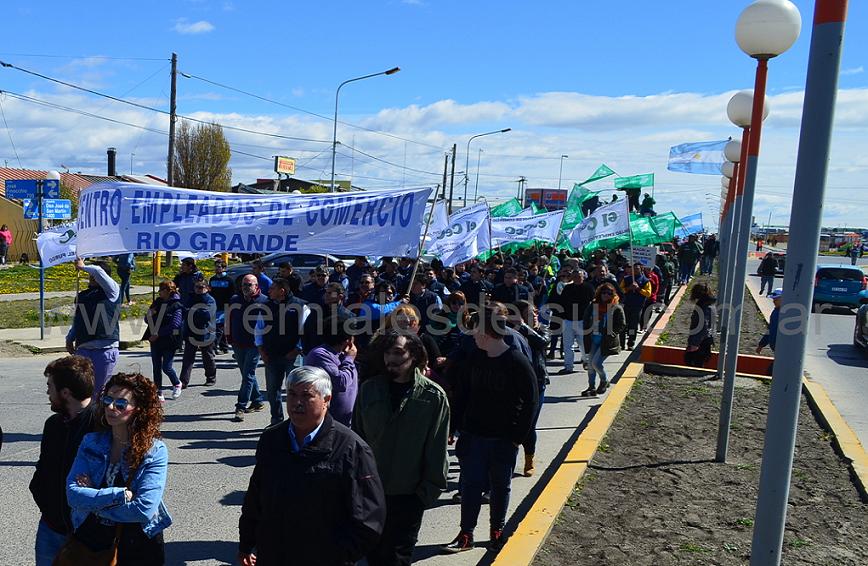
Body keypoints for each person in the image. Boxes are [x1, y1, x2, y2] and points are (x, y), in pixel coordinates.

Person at [238, 366, 386, 566]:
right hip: (274, 555)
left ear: (326, 400)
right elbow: (256, 497)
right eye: (292, 394)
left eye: (307, 396)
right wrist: (247, 543)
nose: (297, 403)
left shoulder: (351, 449)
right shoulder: (272, 439)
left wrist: (337, 555)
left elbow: (369, 519)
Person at [443, 304, 538, 553]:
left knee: (500, 485)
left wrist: (518, 437)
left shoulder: (517, 362)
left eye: (475, 331)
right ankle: (466, 534)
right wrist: (456, 427)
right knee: (471, 486)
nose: (473, 335)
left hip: (504, 438)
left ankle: (497, 530)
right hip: (474, 435)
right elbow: (462, 394)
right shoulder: (474, 358)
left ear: (486, 333)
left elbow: (531, 401)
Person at [354, 332, 450, 566]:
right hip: (371, 494)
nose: (391, 358)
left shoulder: (433, 397)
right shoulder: (369, 390)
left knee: (397, 558)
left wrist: (423, 496)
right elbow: (356, 441)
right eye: (387, 352)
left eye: (398, 352)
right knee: (373, 556)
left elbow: (437, 450)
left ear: (415, 355)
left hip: (409, 496)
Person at [63, 373, 171, 565]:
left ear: (138, 410)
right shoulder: (91, 443)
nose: (111, 407)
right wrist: (119, 496)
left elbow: (143, 510)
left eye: (121, 404)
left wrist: (93, 501)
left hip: (139, 545)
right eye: (107, 400)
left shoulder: (154, 451)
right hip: (93, 540)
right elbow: (73, 495)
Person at [30, 356, 97, 566]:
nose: (48, 392)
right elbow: (43, 469)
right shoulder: (53, 424)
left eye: (50, 386)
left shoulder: (100, 425)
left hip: (89, 533)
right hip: (51, 526)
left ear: (65, 392)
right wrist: (42, 496)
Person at [66, 258, 121, 399]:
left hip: (105, 349)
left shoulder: (112, 291)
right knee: (83, 389)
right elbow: (78, 319)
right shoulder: (82, 295)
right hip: (84, 347)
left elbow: (98, 271)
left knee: (99, 391)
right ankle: (85, 418)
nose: (91, 277)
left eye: (93, 276)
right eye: (90, 276)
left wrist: (83, 266)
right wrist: (70, 338)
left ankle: (99, 418)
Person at [256, 278, 302, 426]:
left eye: (272, 288)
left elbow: (305, 330)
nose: (269, 291)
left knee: (295, 391)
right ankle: (276, 420)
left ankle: (295, 421)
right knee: (272, 390)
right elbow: (259, 328)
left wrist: (297, 350)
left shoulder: (300, 305)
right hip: (271, 355)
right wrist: (261, 350)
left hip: (292, 356)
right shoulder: (266, 306)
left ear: (282, 291)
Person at [512, 300, 550, 477]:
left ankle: (529, 459)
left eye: (535, 312)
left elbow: (543, 343)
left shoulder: (542, 329)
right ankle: (508, 460)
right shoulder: (511, 332)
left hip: (537, 384)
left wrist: (526, 327)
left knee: (529, 424)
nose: (534, 315)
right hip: (515, 384)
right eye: (529, 313)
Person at [226, 274, 269, 422]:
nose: (245, 287)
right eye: (244, 284)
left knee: (248, 374)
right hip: (238, 343)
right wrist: (228, 337)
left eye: (249, 285)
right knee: (246, 374)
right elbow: (229, 319)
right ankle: (257, 400)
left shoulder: (264, 301)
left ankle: (240, 406)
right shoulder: (235, 299)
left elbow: (268, 325)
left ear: (256, 286)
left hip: (255, 345)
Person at [304, 315, 359, 427]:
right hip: (327, 425)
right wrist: (349, 359)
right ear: (348, 339)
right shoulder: (320, 355)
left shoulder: (342, 354)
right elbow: (340, 382)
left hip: (347, 423)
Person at [581, 283, 626, 396]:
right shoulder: (593, 305)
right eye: (604, 292)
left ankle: (604, 380)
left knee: (596, 363)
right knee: (590, 365)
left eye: (609, 293)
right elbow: (586, 319)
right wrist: (586, 329)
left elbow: (621, 324)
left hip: (606, 341)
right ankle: (591, 387)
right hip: (593, 338)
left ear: (613, 294)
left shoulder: (616, 307)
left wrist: (612, 333)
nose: (606, 295)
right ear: (599, 293)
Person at [144, 281, 184, 401]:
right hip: (155, 339)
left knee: (166, 367)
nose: (159, 292)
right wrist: (149, 315)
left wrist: (158, 334)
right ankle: (158, 391)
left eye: (161, 290)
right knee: (156, 367)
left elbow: (175, 324)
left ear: (167, 291)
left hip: (169, 340)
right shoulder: (157, 302)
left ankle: (177, 383)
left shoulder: (176, 304)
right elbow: (147, 319)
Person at [178, 279, 217, 388]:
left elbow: (206, 315)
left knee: (207, 357)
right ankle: (184, 381)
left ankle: (211, 377)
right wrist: (194, 312)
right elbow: (184, 311)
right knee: (188, 358)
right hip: (191, 331)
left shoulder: (210, 300)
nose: (198, 290)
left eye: (201, 287)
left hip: (206, 333)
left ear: (207, 288)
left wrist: (192, 312)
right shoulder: (191, 298)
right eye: (196, 287)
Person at [556, 268, 595, 375]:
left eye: (579, 276)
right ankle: (568, 366)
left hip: (583, 320)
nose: (577, 279)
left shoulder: (589, 288)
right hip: (568, 320)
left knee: (583, 344)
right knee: (568, 345)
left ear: (583, 277)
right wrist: (562, 316)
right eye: (574, 277)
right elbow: (561, 302)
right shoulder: (567, 288)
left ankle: (586, 361)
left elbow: (593, 303)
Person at [619, 263, 652, 350]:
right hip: (626, 304)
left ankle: (630, 343)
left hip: (637, 306)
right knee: (623, 325)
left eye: (637, 269)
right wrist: (628, 288)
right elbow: (620, 290)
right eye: (634, 269)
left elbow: (648, 293)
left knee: (633, 326)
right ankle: (621, 344)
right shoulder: (626, 279)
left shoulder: (645, 280)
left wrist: (638, 289)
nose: (635, 270)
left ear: (641, 269)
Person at [685, 282, 716, 367]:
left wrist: (695, 344)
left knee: (693, 363)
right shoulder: (709, 305)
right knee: (698, 363)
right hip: (706, 340)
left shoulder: (702, 306)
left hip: (700, 342)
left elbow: (702, 326)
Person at [208, 259, 233, 354]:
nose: (217, 269)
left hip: (225, 307)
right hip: (215, 306)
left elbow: (232, 294)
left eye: (219, 267)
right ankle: (224, 347)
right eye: (216, 266)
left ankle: (214, 346)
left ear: (224, 268)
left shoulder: (229, 280)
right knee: (219, 327)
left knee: (219, 327)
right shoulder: (212, 279)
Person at [756, 288, 783, 355]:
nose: (774, 301)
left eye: (776, 299)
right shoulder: (775, 312)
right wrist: (761, 344)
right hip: (776, 349)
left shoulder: (786, 314)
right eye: (773, 299)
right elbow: (771, 330)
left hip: (783, 350)